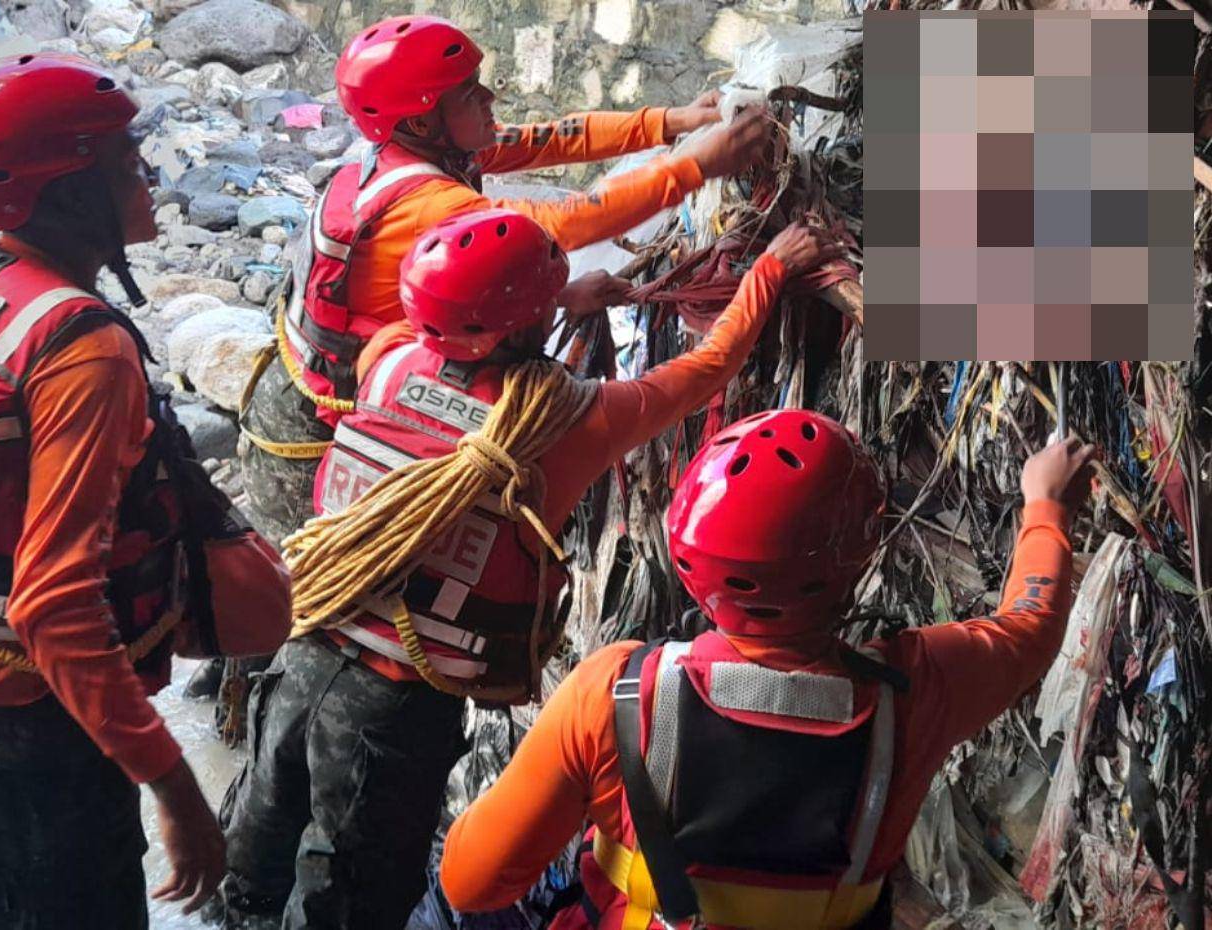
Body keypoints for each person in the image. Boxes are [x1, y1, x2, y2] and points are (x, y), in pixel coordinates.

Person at [215, 208, 846, 929]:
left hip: (304, 651)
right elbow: (707, 369)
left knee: (257, 849)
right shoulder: (569, 421)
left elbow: (456, 361)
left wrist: (549, 308)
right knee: (352, 899)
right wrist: (770, 269)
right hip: (394, 706)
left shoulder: (385, 359)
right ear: (519, 322)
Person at [439, 415, 1098, 930]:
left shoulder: (615, 691)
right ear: (857, 554)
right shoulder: (920, 689)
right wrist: (1047, 506)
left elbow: (470, 883)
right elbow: (1029, 627)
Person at [238, 11, 775, 549]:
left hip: (331, 374)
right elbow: (554, 228)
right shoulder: (429, 203)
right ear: (423, 122)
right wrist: (694, 169)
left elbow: (553, 138)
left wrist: (672, 122)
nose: (491, 98)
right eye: (471, 94)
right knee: (344, 563)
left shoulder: (417, 153)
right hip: (316, 425)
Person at [0, 53, 292, 928]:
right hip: (33, 731)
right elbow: (56, 606)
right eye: (125, 164)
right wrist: (177, 793)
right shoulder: (81, 348)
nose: (149, 178)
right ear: (67, 192)